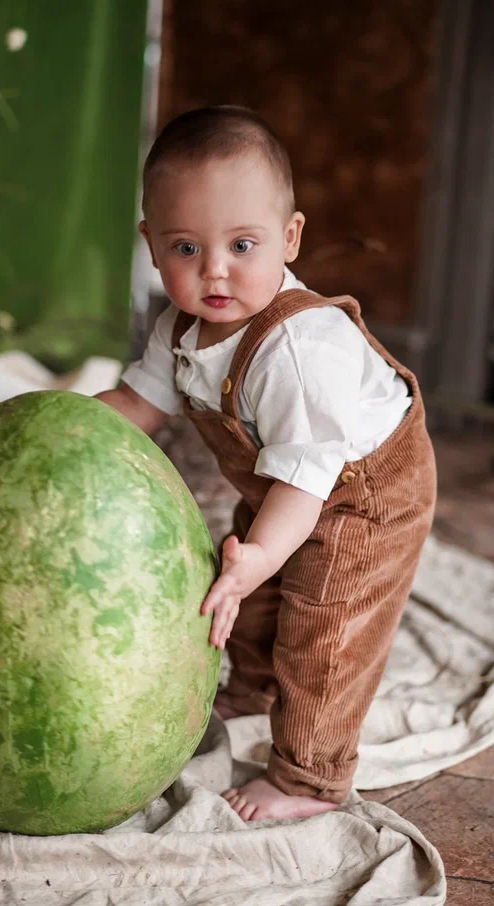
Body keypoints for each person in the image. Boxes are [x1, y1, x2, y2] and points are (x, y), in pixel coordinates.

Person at [95, 106, 436, 822]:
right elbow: (135, 405)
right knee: (251, 595)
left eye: (242, 245)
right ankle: (248, 690)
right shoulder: (179, 327)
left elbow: (309, 484)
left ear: (290, 238)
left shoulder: (298, 351)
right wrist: (58, 425)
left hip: (362, 491)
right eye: (186, 247)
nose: (214, 270)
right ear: (151, 247)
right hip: (285, 480)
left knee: (323, 629)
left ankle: (308, 779)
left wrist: (257, 557)